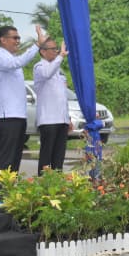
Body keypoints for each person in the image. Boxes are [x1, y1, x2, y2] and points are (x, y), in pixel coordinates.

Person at [0, 24, 45, 190]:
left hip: (18, 115)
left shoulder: (12, 59)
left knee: (15, 155)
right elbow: (17, 63)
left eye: (19, 38)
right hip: (6, 115)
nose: (18, 41)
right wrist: (37, 45)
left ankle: (9, 187)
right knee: (4, 155)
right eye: (15, 38)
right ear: (3, 40)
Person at [33, 38, 72, 174]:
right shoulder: (39, 67)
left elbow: (63, 97)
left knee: (59, 157)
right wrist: (61, 56)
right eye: (53, 49)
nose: (56, 51)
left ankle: (58, 186)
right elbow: (47, 73)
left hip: (62, 119)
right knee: (46, 156)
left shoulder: (58, 70)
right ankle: (43, 186)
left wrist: (69, 118)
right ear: (43, 52)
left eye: (57, 49)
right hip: (48, 120)